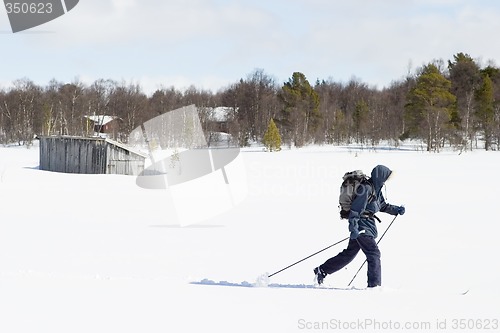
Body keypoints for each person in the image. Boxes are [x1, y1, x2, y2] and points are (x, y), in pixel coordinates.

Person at [314, 165, 405, 288]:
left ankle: (322, 270)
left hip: (367, 225)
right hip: (361, 225)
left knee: (349, 254)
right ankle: (374, 286)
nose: (387, 180)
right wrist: (354, 228)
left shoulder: (377, 189)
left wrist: (396, 210)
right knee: (374, 253)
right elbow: (356, 210)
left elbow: (382, 206)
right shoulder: (366, 188)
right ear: (380, 176)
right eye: (386, 177)